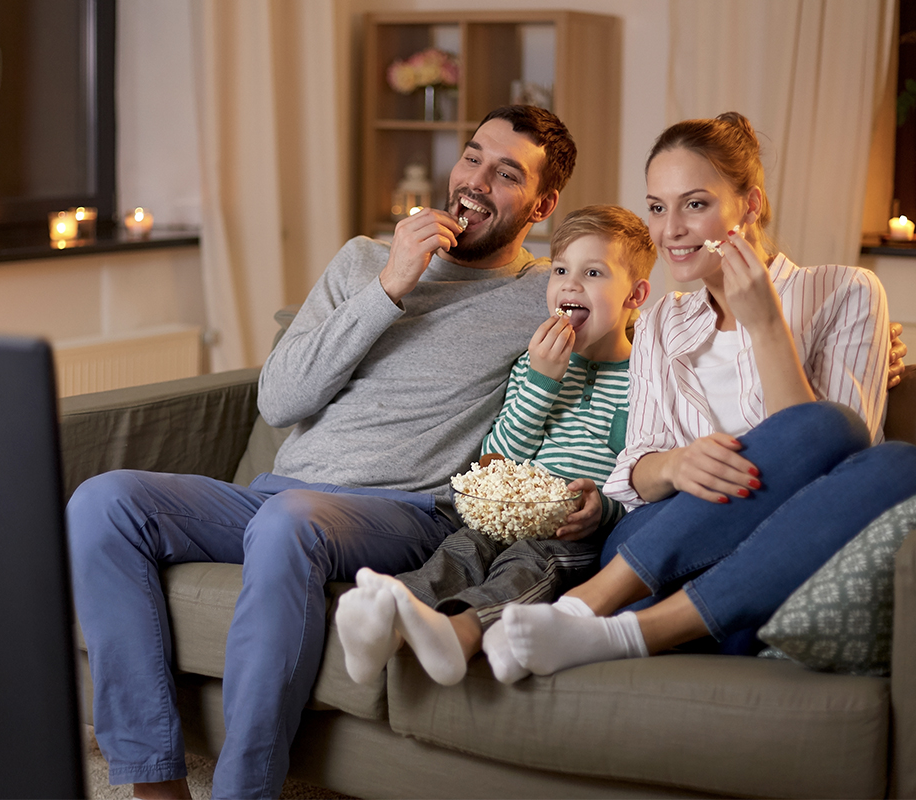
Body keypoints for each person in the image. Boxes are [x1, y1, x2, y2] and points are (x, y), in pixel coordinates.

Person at [66, 105, 578, 800]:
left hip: (404, 513)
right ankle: (154, 783)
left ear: (543, 204)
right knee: (103, 502)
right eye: (472, 157)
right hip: (280, 492)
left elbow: (640, 336)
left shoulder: (544, 297)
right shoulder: (366, 261)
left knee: (289, 522)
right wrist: (390, 285)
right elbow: (280, 399)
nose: (477, 180)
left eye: (507, 173)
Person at [493, 112, 916, 679]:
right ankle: (595, 601)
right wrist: (677, 465)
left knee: (895, 462)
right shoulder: (658, 321)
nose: (671, 228)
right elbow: (634, 472)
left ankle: (627, 629)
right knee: (832, 426)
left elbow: (839, 466)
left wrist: (767, 327)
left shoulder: (847, 291)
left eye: (695, 204)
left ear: (748, 205)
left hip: (779, 548)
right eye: (657, 206)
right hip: (659, 544)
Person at [336, 204, 654, 688]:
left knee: (528, 563)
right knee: (460, 549)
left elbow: (644, 482)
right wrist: (543, 383)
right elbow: (499, 458)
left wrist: (602, 511)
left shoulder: (647, 382)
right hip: (510, 513)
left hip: (574, 536)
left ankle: (460, 633)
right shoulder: (533, 366)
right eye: (561, 270)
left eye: (593, 273)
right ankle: (386, 624)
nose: (570, 285)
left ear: (635, 295)